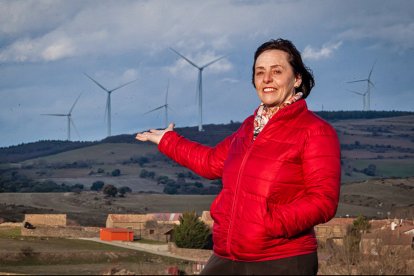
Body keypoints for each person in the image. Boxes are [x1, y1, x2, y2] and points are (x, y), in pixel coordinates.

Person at [136, 38, 341, 275]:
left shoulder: (315, 131)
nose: (266, 79)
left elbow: (323, 200)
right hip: (227, 254)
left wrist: (269, 223)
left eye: (277, 71)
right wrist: (168, 141)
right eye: (259, 72)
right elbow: (212, 163)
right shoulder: (248, 128)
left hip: (280, 258)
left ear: (297, 79)